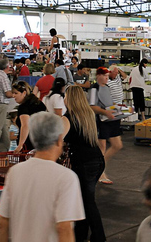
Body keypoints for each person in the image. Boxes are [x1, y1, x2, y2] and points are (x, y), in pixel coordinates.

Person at [0, 112, 84, 242]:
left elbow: (3, 223)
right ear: (59, 140)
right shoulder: (66, 178)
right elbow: (64, 228)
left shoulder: (15, 172)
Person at [63, 86, 105, 242]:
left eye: (65, 96)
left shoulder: (68, 118)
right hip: (97, 160)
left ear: (70, 98)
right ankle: (81, 235)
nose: (64, 99)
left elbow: (58, 140)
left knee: (87, 202)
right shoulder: (88, 115)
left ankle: (99, 237)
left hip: (84, 163)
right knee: (83, 200)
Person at [90, 67, 124, 185]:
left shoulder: (107, 87)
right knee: (102, 147)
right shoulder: (94, 88)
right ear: (98, 76)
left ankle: (99, 167)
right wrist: (105, 112)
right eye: (104, 75)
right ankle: (100, 172)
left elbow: (108, 102)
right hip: (101, 120)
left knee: (117, 145)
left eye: (107, 76)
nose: (106, 78)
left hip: (112, 119)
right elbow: (92, 106)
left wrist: (118, 107)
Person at [12, 82, 47, 152]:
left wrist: (20, 145)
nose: (13, 96)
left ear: (24, 93)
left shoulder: (24, 107)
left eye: (16, 93)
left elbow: (25, 125)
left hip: (30, 143)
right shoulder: (38, 103)